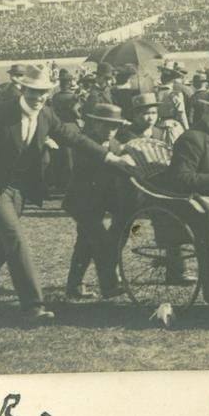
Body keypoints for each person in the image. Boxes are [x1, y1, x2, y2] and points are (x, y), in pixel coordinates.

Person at [0, 64, 135, 324]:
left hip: (21, 190)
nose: (39, 98)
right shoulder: (0, 113)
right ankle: (33, 306)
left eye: (44, 92)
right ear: (23, 90)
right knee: (14, 239)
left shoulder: (47, 115)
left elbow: (75, 138)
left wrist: (110, 157)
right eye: (34, 92)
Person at [63, 103, 134, 300]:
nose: (110, 130)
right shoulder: (85, 144)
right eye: (105, 125)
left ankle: (73, 286)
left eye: (114, 126)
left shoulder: (115, 145)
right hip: (82, 202)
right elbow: (102, 168)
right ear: (94, 124)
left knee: (85, 244)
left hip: (98, 202)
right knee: (102, 241)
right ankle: (109, 286)